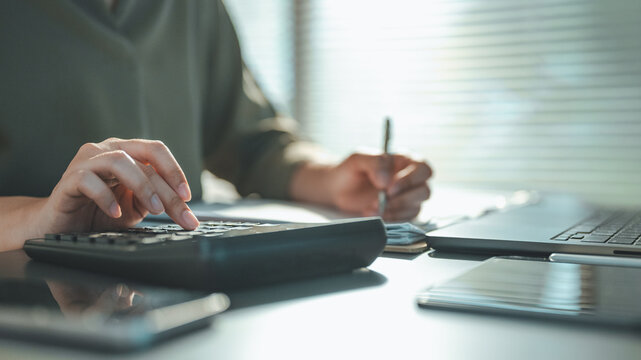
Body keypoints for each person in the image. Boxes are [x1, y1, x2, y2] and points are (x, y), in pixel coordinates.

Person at [0, 0, 432, 252]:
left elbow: (252, 141)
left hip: (189, 284)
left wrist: (331, 179)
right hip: (28, 294)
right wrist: (37, 217)